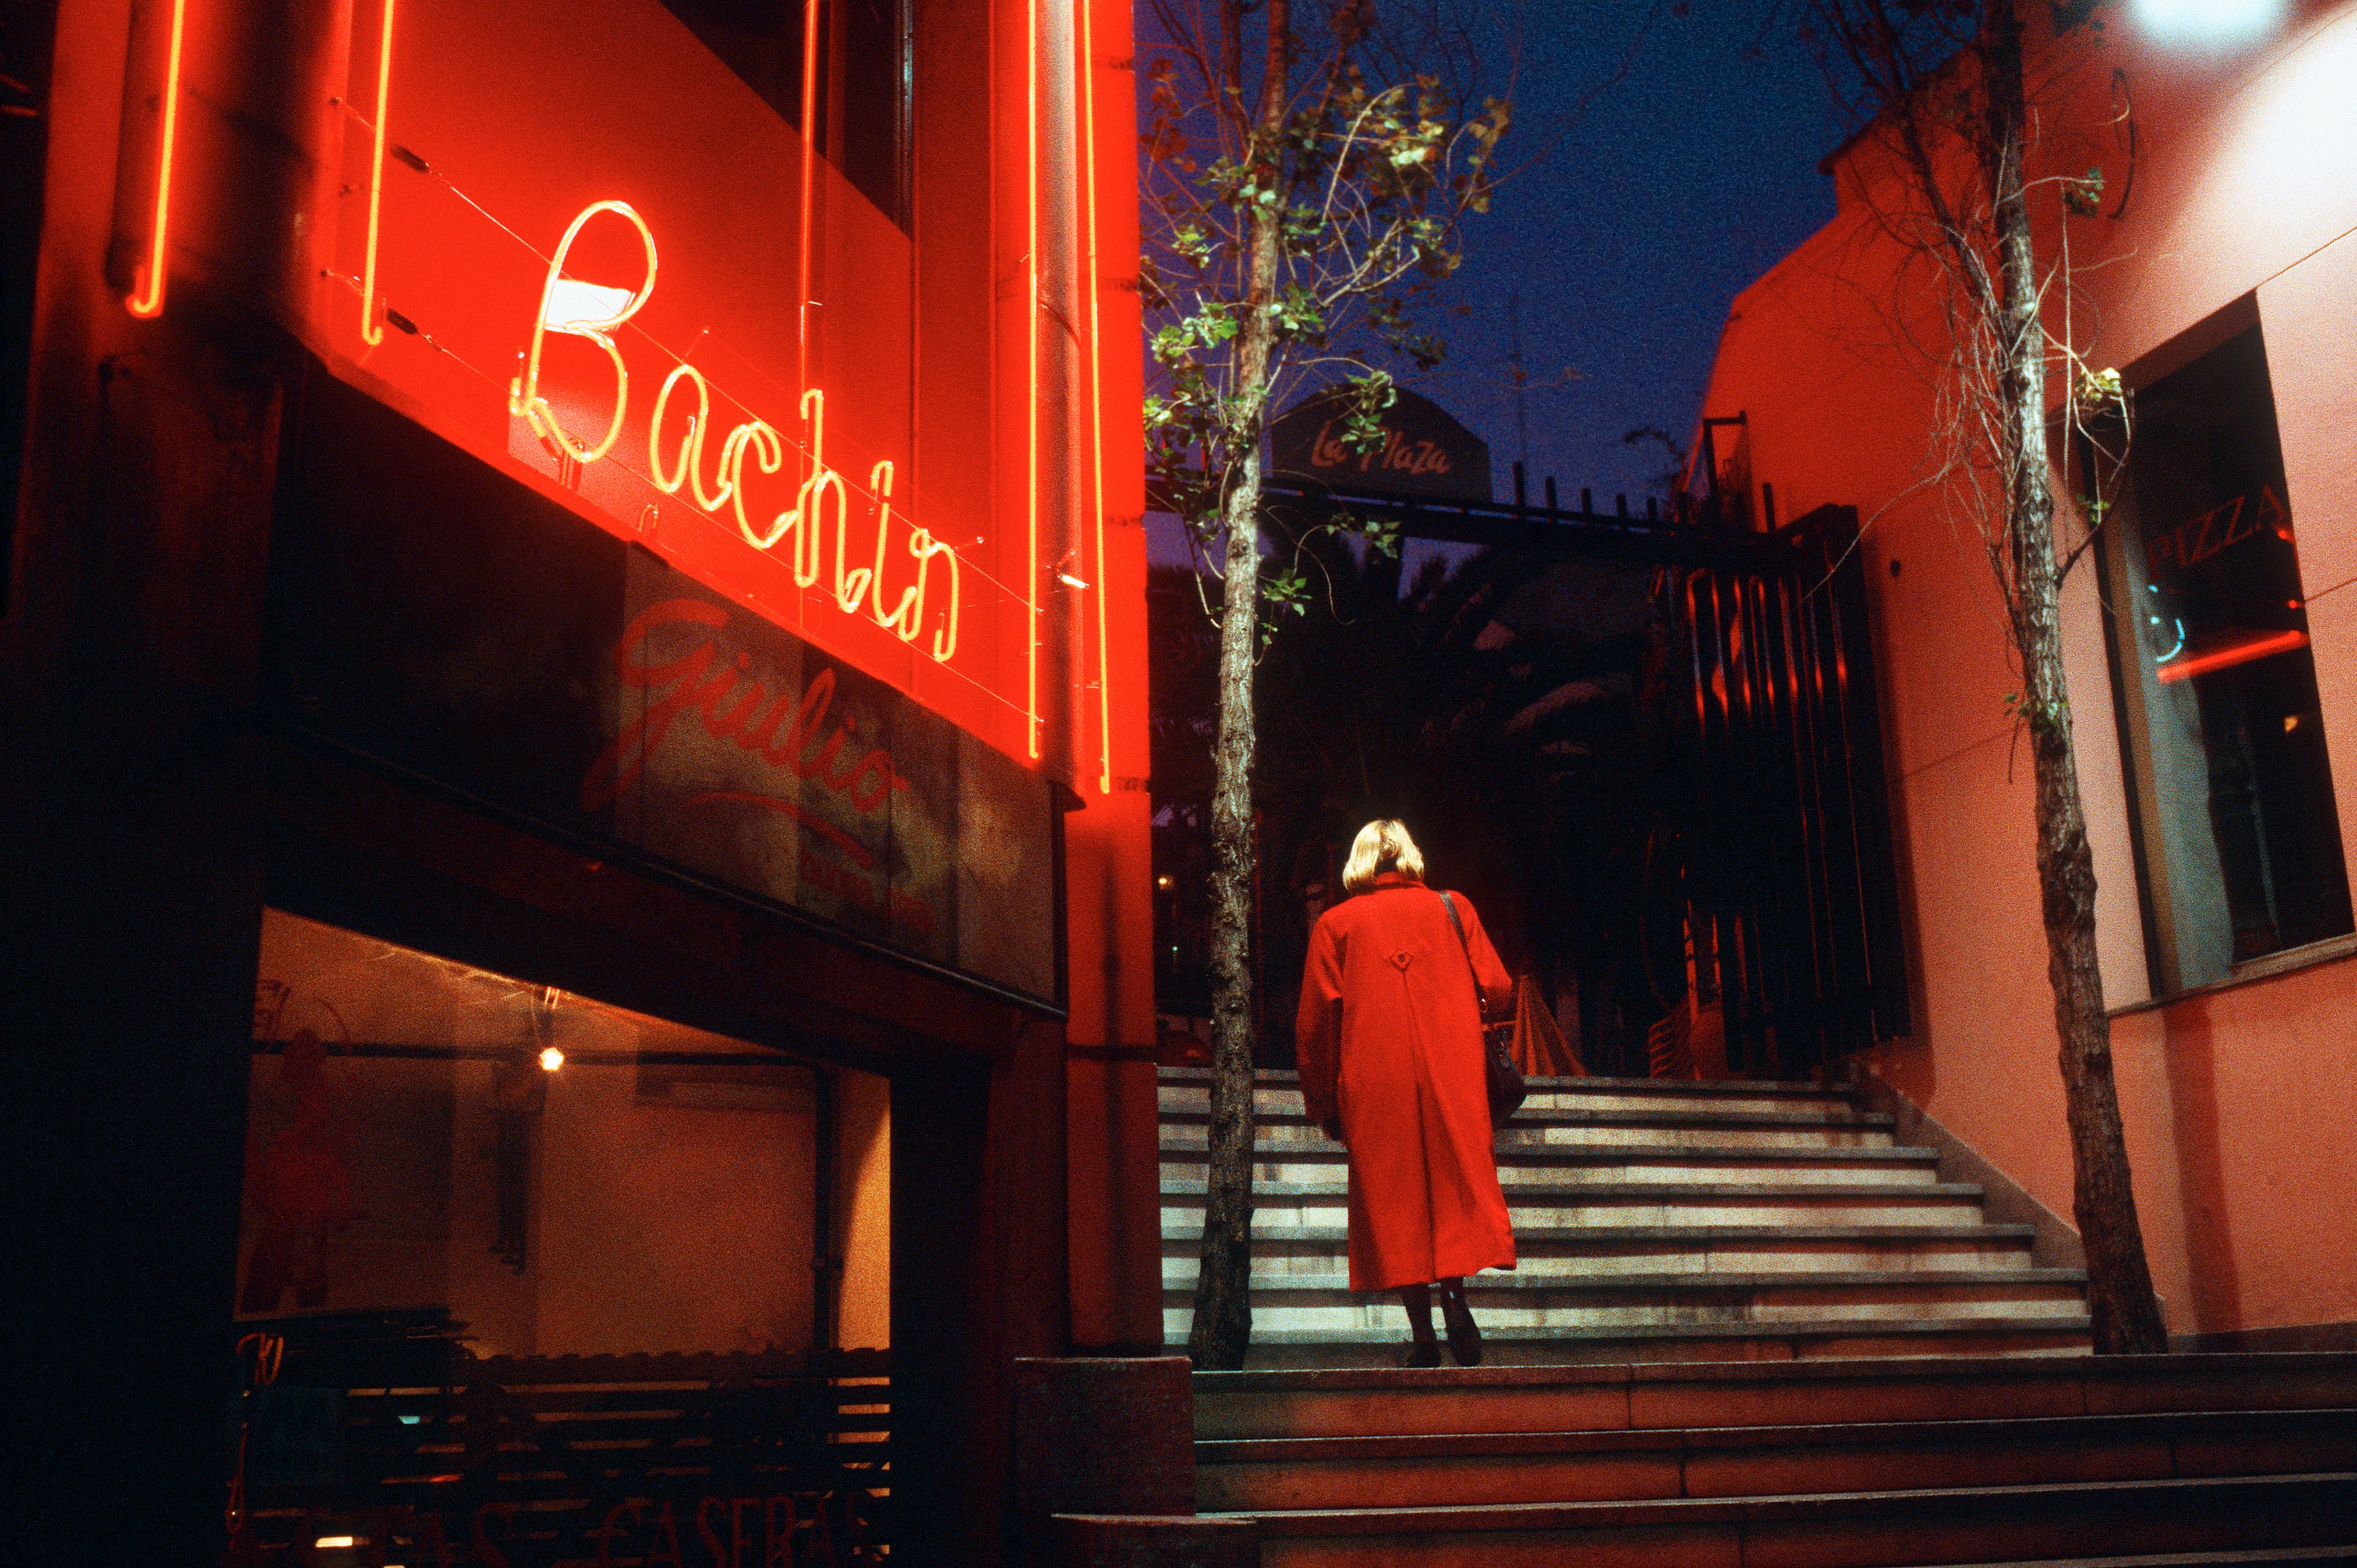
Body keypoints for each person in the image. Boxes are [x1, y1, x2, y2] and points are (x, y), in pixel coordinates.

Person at [1295, 820, 1517, 1367]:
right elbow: (1497, 987)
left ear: (1360, 863)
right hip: (1452, 1069)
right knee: (1451, 1185)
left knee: (1392, 1198)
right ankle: (1455, 1301)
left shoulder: (1335, 925)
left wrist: (1322, 1100)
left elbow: (1315, 1026)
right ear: (1409, 856)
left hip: (1373, 1077)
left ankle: (1422, 1335)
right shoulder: (1453, 907)